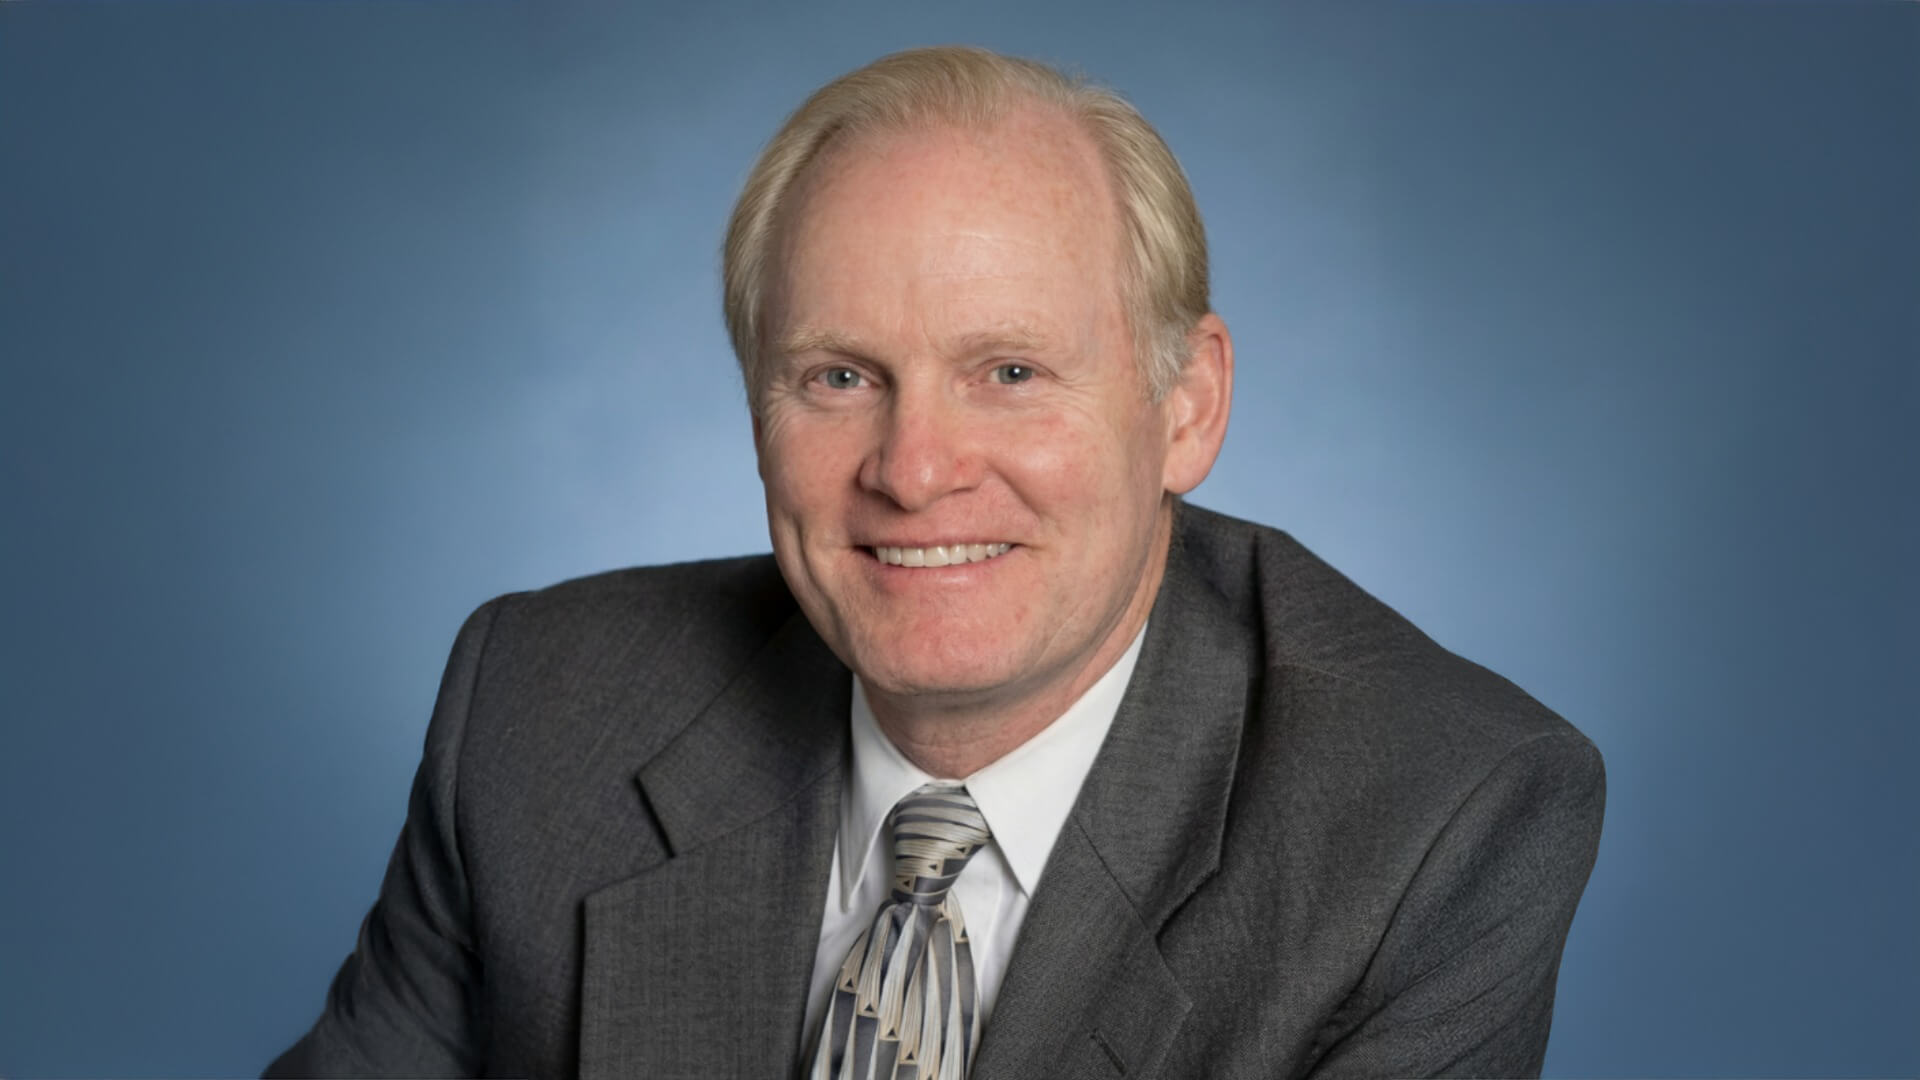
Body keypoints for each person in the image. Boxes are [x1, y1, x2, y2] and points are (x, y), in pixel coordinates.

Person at [267, 46, 1604, 1080]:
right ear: (753, 406)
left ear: (1185, 406)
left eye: (1009, 372)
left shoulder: (1432, 817)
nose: (914, 469)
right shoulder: (538, 709)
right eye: (839, 376)